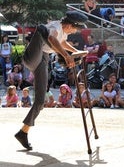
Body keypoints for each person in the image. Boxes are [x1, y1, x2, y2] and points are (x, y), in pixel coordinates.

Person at [14, 10, 88, 150]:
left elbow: (62, 42)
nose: (73, 32)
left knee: (41, 100)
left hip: (43, 59)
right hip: (32, 56)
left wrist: (75, 52)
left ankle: (23, 132)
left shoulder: (63, 32)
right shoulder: (56, 27)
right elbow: (54, 39)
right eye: (74, 29)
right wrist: (66, 56)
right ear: (70, 25)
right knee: (43, 30)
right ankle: (60, 55)